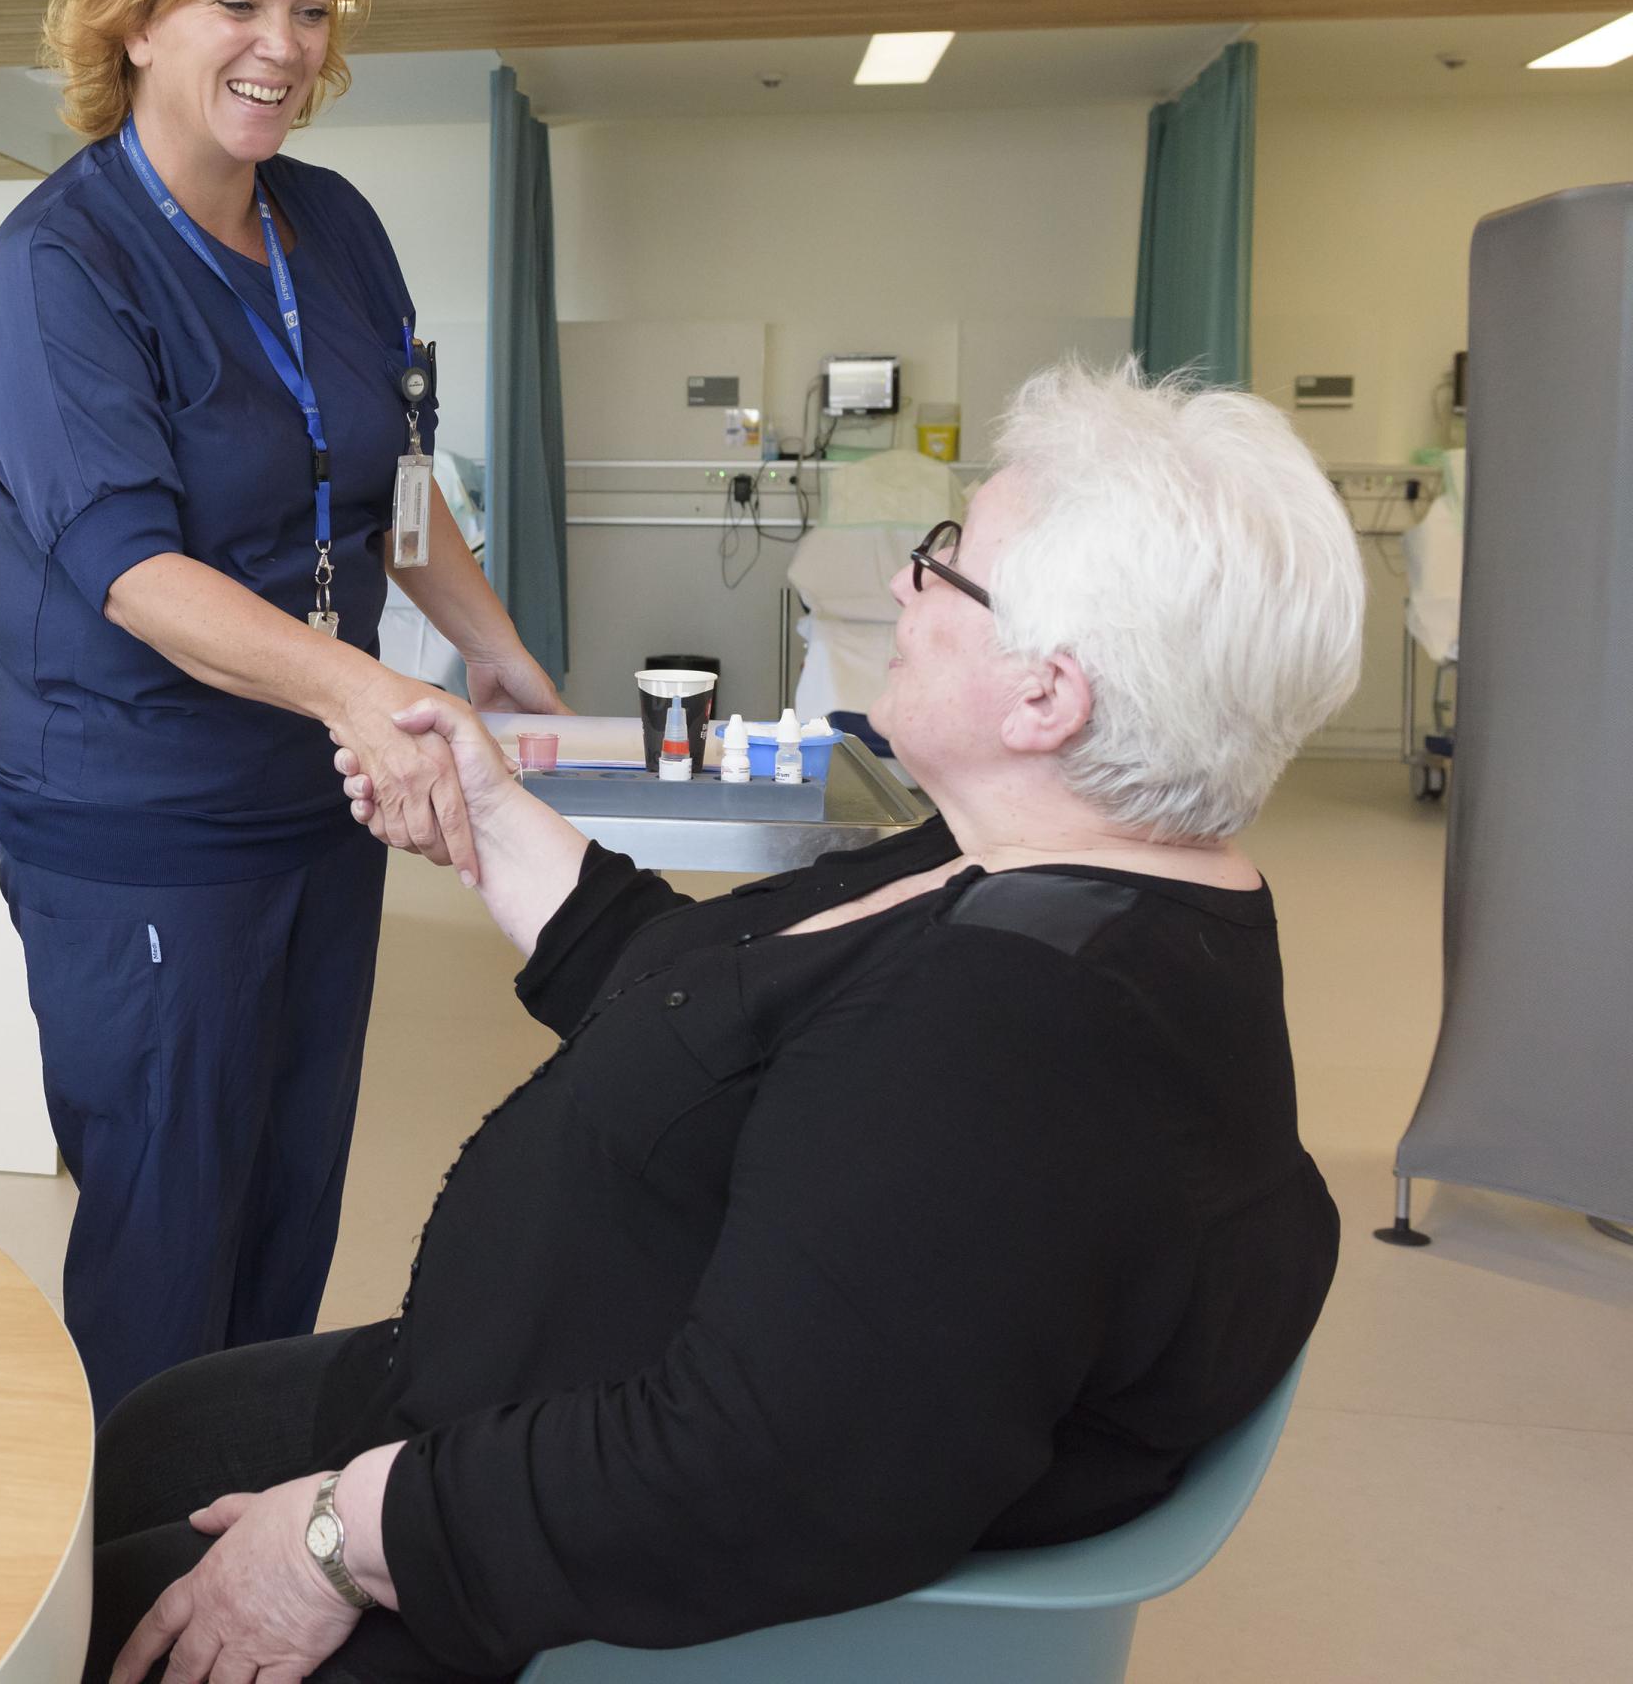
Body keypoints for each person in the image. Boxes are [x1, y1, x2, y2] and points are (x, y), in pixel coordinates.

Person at [89, 362, 1358, 1683]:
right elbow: (717, 1003)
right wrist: (490, 815)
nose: (911, 585)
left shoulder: (1015, 1034)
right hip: (525, 1383)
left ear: (1049, 696)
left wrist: (337, 1543)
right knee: (153, 1438)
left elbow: (753, 1471)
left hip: (575, 1551)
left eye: (951, 565)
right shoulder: (1016, 860)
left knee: (110, 1613)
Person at [0, 0, 565, 1417]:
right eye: (240, 2)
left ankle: (237, 1549)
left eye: (310, 7)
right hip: (138, 819)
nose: (284, 46)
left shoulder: (333, 228)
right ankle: (127, 1586)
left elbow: (394, 476)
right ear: (137, 20)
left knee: (288, 1207)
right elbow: (134, 574)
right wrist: (368, 690)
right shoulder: (57, 273)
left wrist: (488, 642)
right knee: (168, 1233)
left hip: (313, 804)